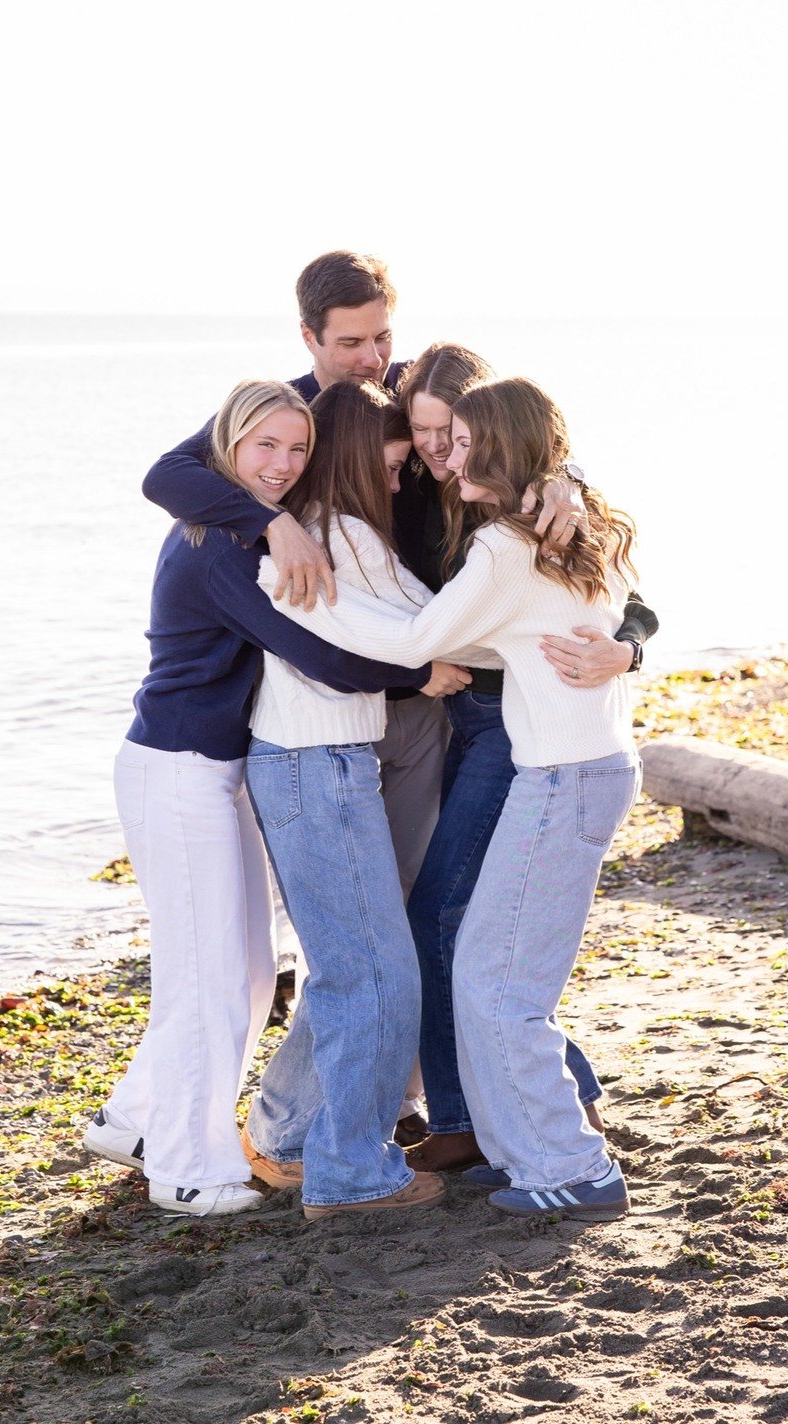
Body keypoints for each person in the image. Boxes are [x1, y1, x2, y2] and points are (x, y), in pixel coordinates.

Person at [262, 377, 640, 1221]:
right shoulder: (577, 531)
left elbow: (415, 639)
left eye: (463, 442)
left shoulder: (506, 546)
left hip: (563, 778)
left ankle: (573, 1167)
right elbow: (487, 639)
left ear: (500, 449)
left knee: (497, 981)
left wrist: (291, 593)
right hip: (580, 770)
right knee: (485, 972)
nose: (446, 457)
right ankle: (522, 1150)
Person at [85, 380, 455, 1217]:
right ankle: (187, 1170)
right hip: (177, 770)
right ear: (228, 445)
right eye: (266, 447)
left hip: (213, 770)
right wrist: (420, 675)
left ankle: (134, 1119)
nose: (283, 465)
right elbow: (312, 654)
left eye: (298, 450)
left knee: (253, 974)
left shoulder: (240, 527)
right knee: (211, 976)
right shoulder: (220, 545)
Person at [393, 344, 657, 1173]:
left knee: (452, 920)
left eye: (454, 432)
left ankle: (474, 1120)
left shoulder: (538, 510)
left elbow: (630, 599)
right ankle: (546, 1104)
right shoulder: (420, 492)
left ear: (490, 435)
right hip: (469, 720)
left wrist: (627, 649)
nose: (441, 448)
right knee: (480, 927)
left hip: (522, 731)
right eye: (425, 432)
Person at [242, 381, 471, 1219]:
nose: (400, 481)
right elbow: (415, 627)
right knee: (372, 972)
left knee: (357, 967)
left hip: (322, 758)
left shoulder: (332, 528)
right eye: (390, 465)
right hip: (313, 762)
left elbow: (411, 618)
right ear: (350, 458)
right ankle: (351, 1174)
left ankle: (289, 1136)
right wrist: (448, 653)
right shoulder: (333, 532)